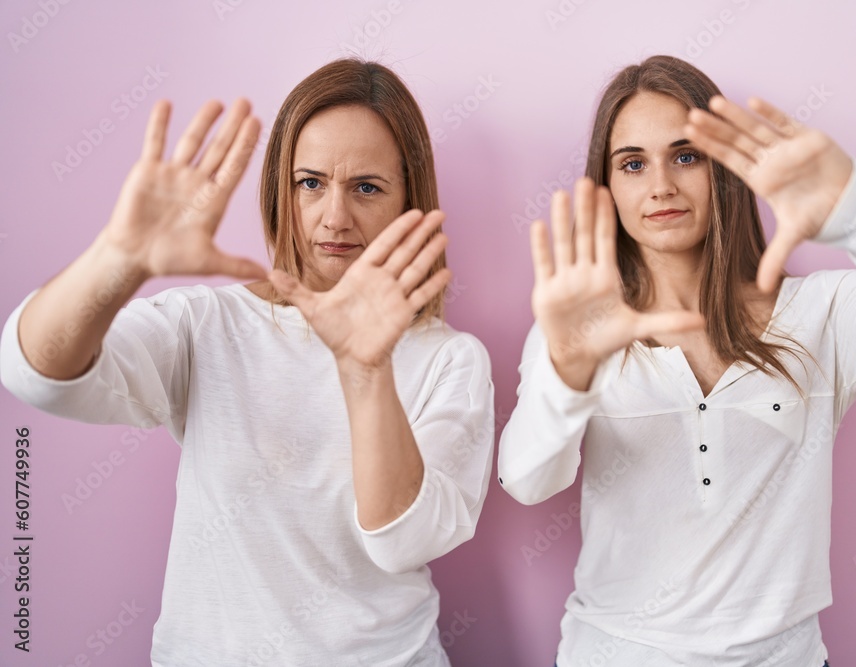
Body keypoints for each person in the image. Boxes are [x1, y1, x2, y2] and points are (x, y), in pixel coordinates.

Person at [497, 55, 856, 667]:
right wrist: (570, 366)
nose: (660, 185)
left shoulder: (822, 313)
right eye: (632, 164)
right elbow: (526, 481)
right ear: (608, 189)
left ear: (726, 169)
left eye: (686, 156)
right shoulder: (578, 330)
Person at [0, 59, 494, 666]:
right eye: (309, 182)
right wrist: (119, 259)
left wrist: (365, 371)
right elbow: (36, 374)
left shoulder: (451, 361)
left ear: (408, 201)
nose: (333, 217)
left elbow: (404, 542)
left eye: (366, 187)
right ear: (279, 189)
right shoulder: (207, 324)